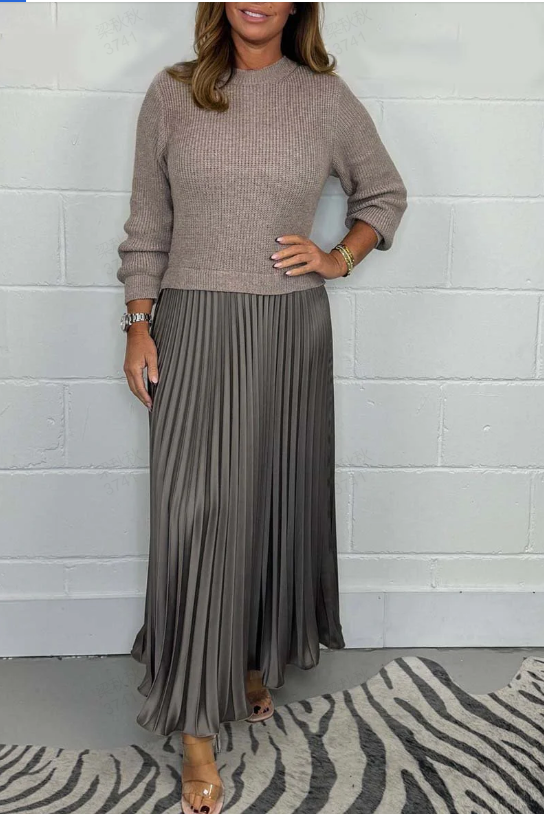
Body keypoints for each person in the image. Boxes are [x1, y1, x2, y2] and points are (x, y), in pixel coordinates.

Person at [117, 3, 407, 812]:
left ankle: (248, 659)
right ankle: (195, 733)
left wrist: (338, 257)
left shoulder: (324, 98)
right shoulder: (173, 93)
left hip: (286, 330)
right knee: (196, 518)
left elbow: (384, 194)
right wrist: (138, 325)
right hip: (192, 328)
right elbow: (148, 223)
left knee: (268, 505)